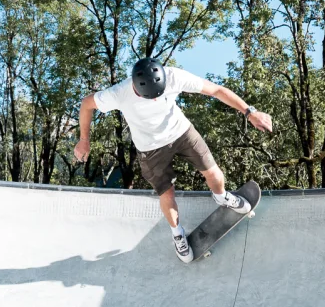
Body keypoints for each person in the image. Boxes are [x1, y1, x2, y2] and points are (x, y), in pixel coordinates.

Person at [74, 58, 273, 263]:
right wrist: (84, 140)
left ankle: (222, 196)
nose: (154, 101)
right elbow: (87, 104)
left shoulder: (173, 76)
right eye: (149, 97)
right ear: (135, 88)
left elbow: (216, 90)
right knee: (166, 193)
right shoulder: (118, 94)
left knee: (213, 172)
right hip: (150, 148)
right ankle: (178, 234)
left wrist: (250, 112)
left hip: (182, 133)